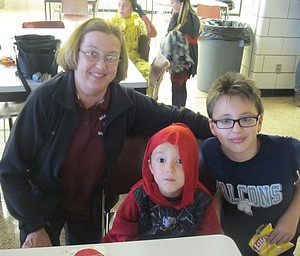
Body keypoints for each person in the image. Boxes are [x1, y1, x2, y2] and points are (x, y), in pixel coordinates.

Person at [0, 18, 213, 248]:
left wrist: (222, 126)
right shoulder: (45, 100)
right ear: (76, 54)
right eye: (92, 54)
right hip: (41, 206)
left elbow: (177, 116)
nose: (101, 66)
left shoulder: (124, 104)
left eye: (110, 57)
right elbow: (11, 170)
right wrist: (33, 226)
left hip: (89, 207)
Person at [202, 72, 300, 255]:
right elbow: (217, 191)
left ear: (260, 121)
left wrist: (293, 214)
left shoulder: (287, 150)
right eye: (225, 120)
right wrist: (216, 227)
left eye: (246, 118)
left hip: (278, 242)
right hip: (233, 240)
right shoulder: (210, 151)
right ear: (213, 127)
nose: (236, 129)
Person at [102, 123, 222, 242]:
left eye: (180, 161)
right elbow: (122, 233)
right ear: (150, 166)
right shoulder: (138, 195)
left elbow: (211, 240)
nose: (170, 168)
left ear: (192, 166)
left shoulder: (202, 200)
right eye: (161, 160)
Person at [111, 0, 157, 96]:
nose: (121, 8)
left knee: (149, 73)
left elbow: (152, 33)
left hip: (134, 59)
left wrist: (143, 16)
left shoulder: (137, 21)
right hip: (115, 59)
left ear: (133, 7)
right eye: (119, 5)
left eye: (125, 5)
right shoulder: (112, 22)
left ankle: (145, 102)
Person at [163, 0, 201, 108]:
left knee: (176, 87)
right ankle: (182, 110)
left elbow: (168, 38)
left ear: (181, 3)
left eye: (172, 2)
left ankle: (176, 112)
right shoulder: (194, 17)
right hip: (190, 58)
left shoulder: (177, 18)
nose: (171, 4)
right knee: (182, 86)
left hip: (178, 60)